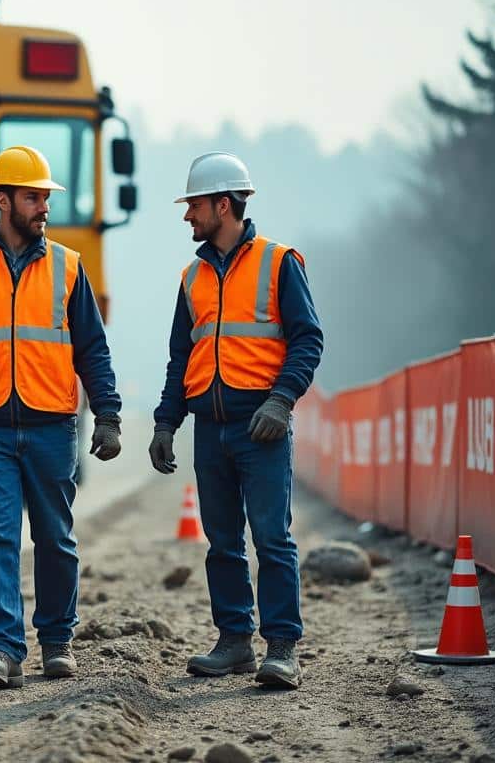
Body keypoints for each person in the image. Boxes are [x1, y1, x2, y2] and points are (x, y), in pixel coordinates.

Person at [0, 145, 122, 689]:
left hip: (51, 425)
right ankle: (4, 650)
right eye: (34, 197)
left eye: (45, 198)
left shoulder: (68, 268)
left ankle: (57, 641)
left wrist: (107, 414)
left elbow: (93, 347)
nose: (43, 207)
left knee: (56, 539)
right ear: (2, 199)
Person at [149, 152, 323, 689]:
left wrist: (281, 401)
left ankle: (283, 648)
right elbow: (183, 357)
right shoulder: (192, 277)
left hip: (261, 427)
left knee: (271, 538)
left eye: (194, 205)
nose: (187, 216)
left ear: (223, 205)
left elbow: (308, 340)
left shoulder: (279, 262)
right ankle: (234, 643)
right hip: (210, 428)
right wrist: (165, 422)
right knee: (222, 541)